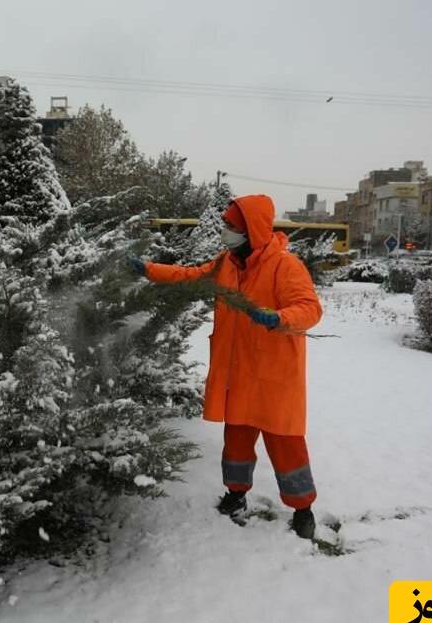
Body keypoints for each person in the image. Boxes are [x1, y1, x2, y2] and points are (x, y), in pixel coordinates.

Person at [128, 195, 323, 539]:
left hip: (275, 377)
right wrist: (148, 269)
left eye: (232, 226)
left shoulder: (285, 266)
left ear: (252, 230)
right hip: (237, 373)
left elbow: (309, 308)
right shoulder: (226, 263)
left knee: (287, 446)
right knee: (236, 443)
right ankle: (236, 495)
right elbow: (189, 276)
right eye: (227, 225)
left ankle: (303, 509)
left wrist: (279, 318)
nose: (226, 231)